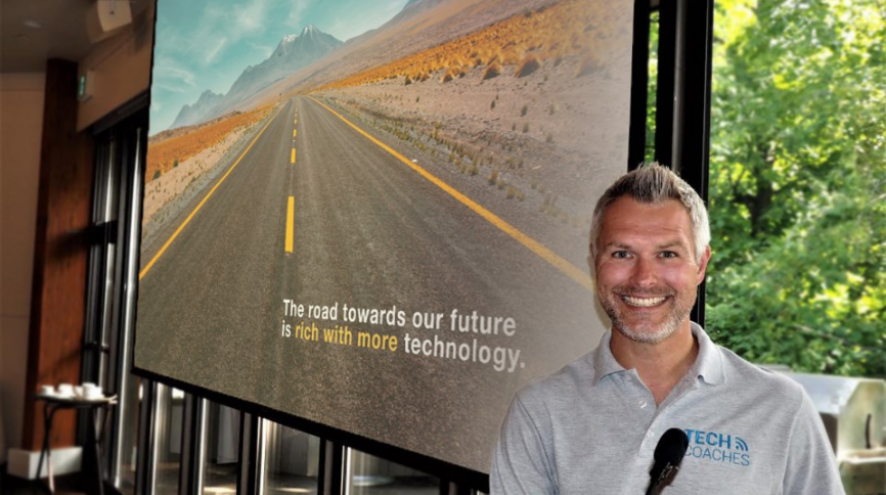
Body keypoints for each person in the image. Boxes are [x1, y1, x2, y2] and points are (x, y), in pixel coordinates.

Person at [490, 164, 845, 494]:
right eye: (622, 254)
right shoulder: (540, 413)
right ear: (595, 260)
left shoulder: (780, 407)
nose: (644, 279)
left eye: (668, 254)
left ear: (701, 264)